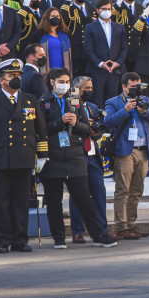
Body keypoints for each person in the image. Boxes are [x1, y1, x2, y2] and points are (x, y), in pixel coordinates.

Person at [38, 68, 118, 249]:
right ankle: (59, 238)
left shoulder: (73, 97)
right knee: (54, 200)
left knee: (84, 197)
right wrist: (61, 121)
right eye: (61, 81)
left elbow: (85, 128)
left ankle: (98, 235)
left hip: (75, 155)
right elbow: (40, 129)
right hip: (53, 155)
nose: (64, 85)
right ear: (52, 82)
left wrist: (75, 123)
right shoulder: (43, 100)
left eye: (67, 82)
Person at [0, 58, 49, 253]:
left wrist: (42, 155)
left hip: (24, 158)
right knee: (1, 203)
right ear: (1, 80)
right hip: (0, 160)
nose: (16, 79)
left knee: (21, 202)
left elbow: (40, 129)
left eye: (18, 76)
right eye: (11, 76)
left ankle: (20, 240)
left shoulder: (30, 100)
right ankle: (2, 240)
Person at [104, 72, 149, 240]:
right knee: (122, 190)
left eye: (139, 86)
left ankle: (131, 224)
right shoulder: (113, 102)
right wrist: (125, 110)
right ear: (124, 87)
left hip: (143, 149)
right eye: (133, 87)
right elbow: (108, 122)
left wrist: (145, 112)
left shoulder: (146, 100)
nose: (137, 90)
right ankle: (121, 227)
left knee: (137, 190)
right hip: (125, 151)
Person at [67, 76, 110, 244]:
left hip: (92, 155)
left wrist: (94, 131)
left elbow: (99, 130)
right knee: (78, 193)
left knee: (99, 192)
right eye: (85, 87)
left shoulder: (92, 107)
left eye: (91, 87)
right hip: (77, 153)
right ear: (76, 88)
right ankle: (77, 231)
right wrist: (84, 125)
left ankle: (102, 230)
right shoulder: (70, 103)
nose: (89, 90)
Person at [84, 0, 128, 107]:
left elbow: (124, 48)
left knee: (112, 101)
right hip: (97, 70)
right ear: (98, 10)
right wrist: (100, 64)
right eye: (104, 9)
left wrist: (117, 63)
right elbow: (89, 49)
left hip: (115, 70)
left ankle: (111, 122)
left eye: (109, 9)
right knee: (97, 100)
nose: (107, 11)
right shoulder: (90, 27)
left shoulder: (119, 27)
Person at [39, 7, 72, 72]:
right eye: (53, 16)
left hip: (63, 70)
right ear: (47, 17)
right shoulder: (40, 34)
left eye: (57, 16)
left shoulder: (66, 33)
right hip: (47, 70)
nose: (55, 18)